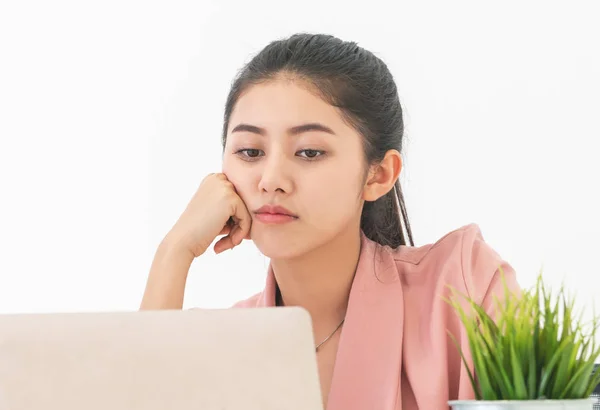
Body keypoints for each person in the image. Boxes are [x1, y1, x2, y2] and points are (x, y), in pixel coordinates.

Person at [140, 33, 520, 410]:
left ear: (379, 175)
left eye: (309, 152)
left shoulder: (463, 289)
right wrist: (174, 251)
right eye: (250, 151)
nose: (270, 179)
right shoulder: (216, 343)